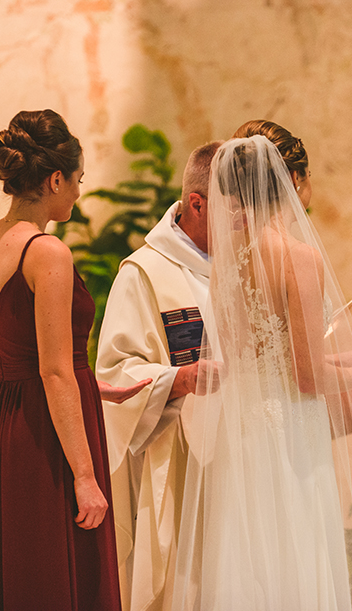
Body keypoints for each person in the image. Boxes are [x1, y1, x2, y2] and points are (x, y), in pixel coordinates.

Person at [170, 128, 352, 611]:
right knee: (298, 559)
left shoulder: (225, 261)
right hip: (288, 435)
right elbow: (307, 381)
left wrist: (350, 358)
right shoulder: (297, 258)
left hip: (241, 435)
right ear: (288, 184)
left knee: (251, 565)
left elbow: (269, 361)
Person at [0, 109, 129, 609]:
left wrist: (92, 385)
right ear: (56, 178)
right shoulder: (47, 253)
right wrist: (84, 475)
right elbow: (54, 369)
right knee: (58, 573)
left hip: (6, 426)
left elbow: (2, 359)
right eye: (78, 180)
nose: (79, 192)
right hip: (48, 436)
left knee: (21, 568)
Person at [95, 141, 221, 611]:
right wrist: (182, 379)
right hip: (176, 460)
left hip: (235, 457)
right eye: (234, 214)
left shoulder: (245, 264)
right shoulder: (143, 272)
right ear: (196, 204)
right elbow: (115, 372)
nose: (243, 228)